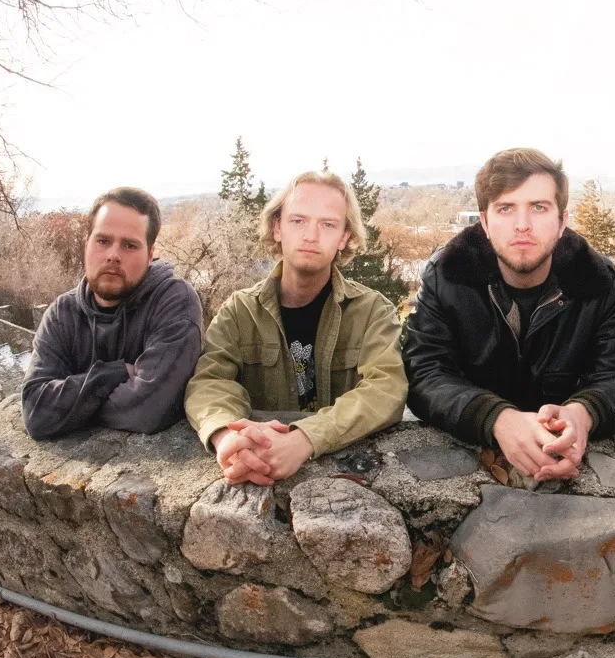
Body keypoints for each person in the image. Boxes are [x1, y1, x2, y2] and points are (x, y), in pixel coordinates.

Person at [403, 147, 615, 482]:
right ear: (484, 222)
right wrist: (497, 418)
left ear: (562, 221)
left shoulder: (599, 282)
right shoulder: (447, 274)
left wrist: (581, 415)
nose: (522, 225)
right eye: (505, 208)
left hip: (563, 445)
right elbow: (424, 372)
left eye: (539, 208)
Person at [184, 170, 406, 486]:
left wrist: (304, 440)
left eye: (328, 224)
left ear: (345, 236)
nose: (311, 235)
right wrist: (228, 436)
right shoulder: (240, 310)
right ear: (277, 227)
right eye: (298, 221)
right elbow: (210, 381)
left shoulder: (372, 311)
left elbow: (386, 389)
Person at [22, 187, 203, 440]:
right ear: (87, 245)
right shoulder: (62, 314)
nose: (113, 256)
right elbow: (36, 411)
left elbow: (148, 409)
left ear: (150, 255)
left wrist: (70, 409)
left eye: (129, 245)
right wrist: (112, 374)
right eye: (103, 241)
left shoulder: (173, 302)